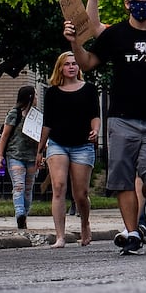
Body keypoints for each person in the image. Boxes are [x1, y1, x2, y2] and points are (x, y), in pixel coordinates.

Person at [66, 0, 146, 255]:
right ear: (127, 4)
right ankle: (132, 232)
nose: (142, 4)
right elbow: (87, 62)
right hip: (121, 119)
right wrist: (74, 43)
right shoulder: (116, 35)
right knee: (123, 178)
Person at [37, 52, 99, 246]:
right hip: (58, 144)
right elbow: (47, 123)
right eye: (67, 64)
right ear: (60, 68)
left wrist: (95, 130)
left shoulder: (89, 89)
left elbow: (95, 115)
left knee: (80, 194)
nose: (72, 67)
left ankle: (85, 224)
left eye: (74, 63)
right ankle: (60, 236)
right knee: (58, 187)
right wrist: (39, 150)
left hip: (82, 145)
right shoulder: (52, 93)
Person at [0, 85, 40, 230]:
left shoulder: (37, 116)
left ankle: (24, 216)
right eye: (36, 95)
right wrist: (0, 156)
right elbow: (5, 136)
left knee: (28, 188)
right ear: (29, 97)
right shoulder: (14, 113)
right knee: (19, 186)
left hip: (32, 157)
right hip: (15, 155)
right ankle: (19, 213)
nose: (37, 98)